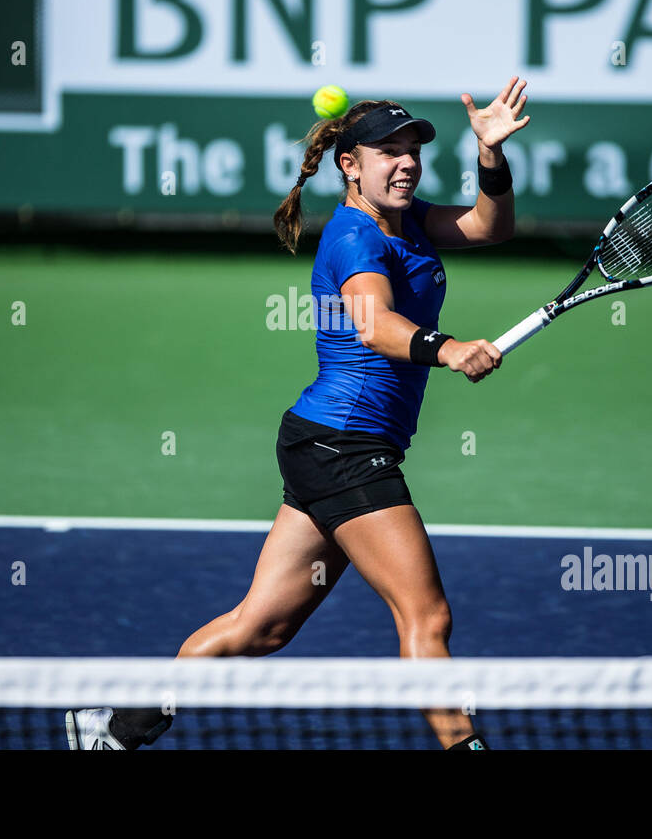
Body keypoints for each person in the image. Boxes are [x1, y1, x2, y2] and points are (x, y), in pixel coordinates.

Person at [67, 77, 529, 750]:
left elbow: (493, 225)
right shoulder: (354, 239)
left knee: (261, 629)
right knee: (425, 616)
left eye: (413, 151)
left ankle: (115, 730)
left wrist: (490, 154)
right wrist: (448, 348)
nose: (405, 164)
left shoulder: (406, 221)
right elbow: (373, 325)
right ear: (351, 165)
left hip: (321, 443)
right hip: (345, 448)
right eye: (388, 154)